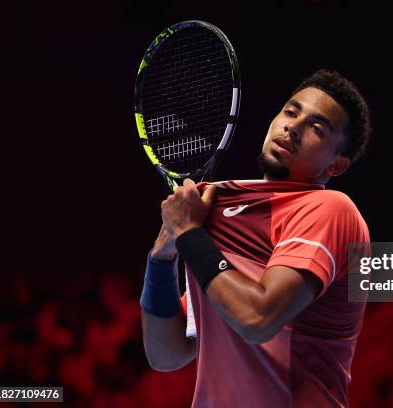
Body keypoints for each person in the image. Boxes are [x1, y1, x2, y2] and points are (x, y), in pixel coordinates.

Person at [140, 69, 372, 407]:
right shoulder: (217, 207)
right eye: (291, 112)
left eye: (316, 128)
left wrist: (189, 234)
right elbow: (166, 353)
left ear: (335, 166)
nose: (293, 127)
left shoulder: (328, 209)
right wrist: (161, 260)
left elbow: (257, 319)